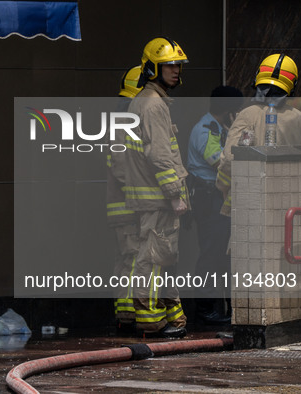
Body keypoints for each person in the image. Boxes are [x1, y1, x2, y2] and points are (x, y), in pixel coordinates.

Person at [124, 37, 189, 338]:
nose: (175, 70)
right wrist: (175, 194)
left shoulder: (150, 101)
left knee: (159, 259)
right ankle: (152, 321)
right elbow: (160, 156)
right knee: (152, 260)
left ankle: (170, 319)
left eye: (177, 65)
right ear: (153, 68)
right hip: (158, 201)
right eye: (169, 66)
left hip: (153, 200)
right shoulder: (152, 105)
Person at [217, 54, 301, 214]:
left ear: (259, 77)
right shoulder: (298, 118)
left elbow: (229, 158)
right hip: (289, 204)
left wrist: (222, 186)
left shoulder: (248, 114)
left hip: (252, 202)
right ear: (292, 84)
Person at [187, 86, 244, 325]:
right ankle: (206, 309)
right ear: (229, 110)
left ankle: (218, 307)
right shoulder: (206, 130)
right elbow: (219, 162)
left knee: (222, 253)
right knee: (211, 253)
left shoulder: (219, 128)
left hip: (216, 198)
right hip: (208, 198)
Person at [107, 65, 142, 332]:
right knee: (131, 261)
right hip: (130, 208)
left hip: (127, 208)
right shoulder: (124, 126)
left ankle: (126, 314)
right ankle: (129, 317)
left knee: (126, 261)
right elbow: (122, 169)